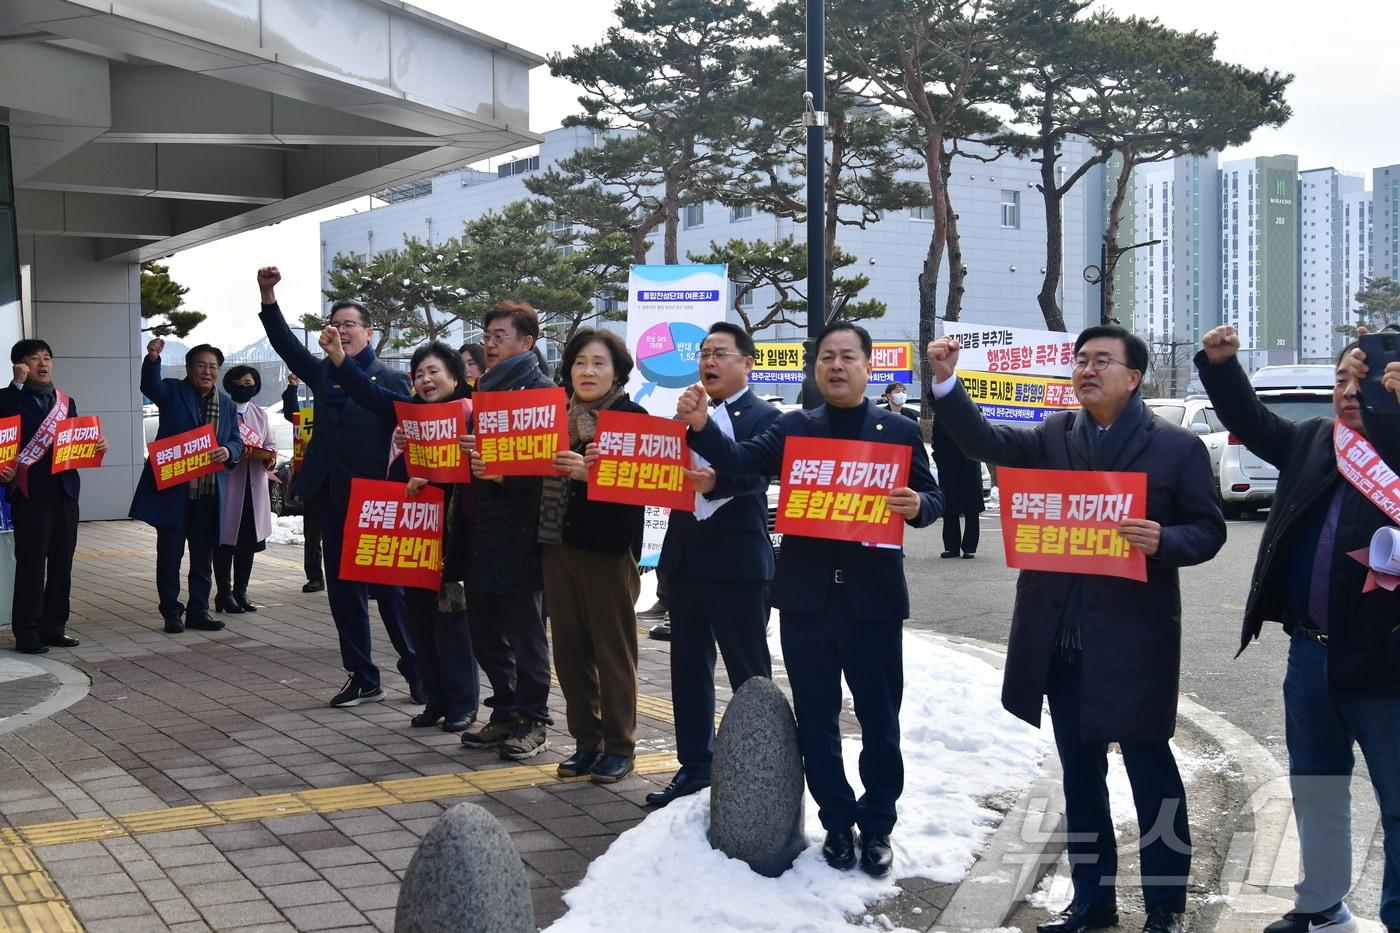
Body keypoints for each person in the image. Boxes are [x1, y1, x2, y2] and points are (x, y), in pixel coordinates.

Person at [927, 325, 1226, 933]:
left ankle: (1165, 907)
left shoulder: (1175, 447)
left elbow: (1211, 529)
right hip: (1060, 641)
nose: (1086, 370)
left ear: (1134, 376)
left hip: (1134, 643)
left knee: (1152, 780)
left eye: (1102, 361)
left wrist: (1164, 540)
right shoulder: (1053, 434)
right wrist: (946, 384)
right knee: (1081, 778)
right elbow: (984, 440)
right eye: (1081, 360)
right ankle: (1093, 902)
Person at [680, 321, 942, 879]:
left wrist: (918, 503)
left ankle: (877, 827)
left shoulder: (895, 429)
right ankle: (837, 823)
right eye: (827, 357)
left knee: (879, 720)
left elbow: (936, 495)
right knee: (817, 719)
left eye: (848, 356)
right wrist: (701, 428)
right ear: (815, 367)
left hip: (872, 599)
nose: (837, 366)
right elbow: (741, 460)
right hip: (806, 599)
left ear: (869, 367)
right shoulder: (794, 426)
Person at [1197, 326, 1400, 933]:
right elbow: (1251, 421)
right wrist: (1221, 365)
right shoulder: (1317, 441)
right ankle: (1321, 907)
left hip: (1389, 668)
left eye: (1364, 383)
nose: (1347, 392)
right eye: (1341, 379)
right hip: (1310, 658)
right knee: (1315, 789)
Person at [256, 267, 419, 709]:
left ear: (369, 332)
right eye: (336, 323)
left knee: (390, 592)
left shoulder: (389, 380)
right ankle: (363, 675)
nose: (342, 330)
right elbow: (287, 347)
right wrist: (269, 299)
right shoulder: (321, 372)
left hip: (377, 497)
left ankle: (417, 668)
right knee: (343, 590)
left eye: (351, 324)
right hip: (332, 493)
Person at [646, 322, 780, 807]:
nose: (709, 361)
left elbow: (753, 475)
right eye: (704, 352)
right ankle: (696, 765)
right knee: (688, 670)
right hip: (685, 561)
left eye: (721, 352)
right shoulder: (683, 416)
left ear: (748, 363)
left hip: (739, 563)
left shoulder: (767, 417)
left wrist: (714, 481)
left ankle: (763, 767)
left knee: (749, 672)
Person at [324, 333, 479, 732]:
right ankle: (435, 697)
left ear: (455, 376)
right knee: (420, 620)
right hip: (414, 533)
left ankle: (464, 702)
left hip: (454, 535)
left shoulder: (471, 414)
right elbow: (368, 394)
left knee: (452, 622)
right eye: (421, 373)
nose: (427, 380)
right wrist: (341, 358)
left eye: (435, 372)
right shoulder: (410, 414)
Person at [538, 329, 646, 784]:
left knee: (612, 651)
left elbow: (647, 486)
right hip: (556, 544)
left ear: (618, 371)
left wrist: (592, 477)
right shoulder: (550, 418)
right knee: (569, 649)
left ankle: (620, 745)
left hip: (608, 550)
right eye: (580, 362)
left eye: (599, 363)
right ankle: (586, 740)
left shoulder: (632, 418)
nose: (588, 371)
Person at [459, 300, 554, 760]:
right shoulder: (485, 392)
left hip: (520, 532)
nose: (490, 344)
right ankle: (505, 709)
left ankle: (534, 719)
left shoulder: (540, 392)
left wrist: (502, 472)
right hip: (481, 529)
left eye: (500, 336)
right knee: (484, 630)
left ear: (527, 342)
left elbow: (546, 471)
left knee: (525, 632)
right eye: (487, 335)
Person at [0, 340, 109, 653]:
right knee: (32, 565)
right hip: (31, 494)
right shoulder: (8, 399)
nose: (43, 364)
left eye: (47, 358)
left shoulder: (65, 401)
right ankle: (27, 633)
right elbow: (6, 426)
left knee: (62, 564)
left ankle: (54, 627)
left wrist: (96, 445)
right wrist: (18, 386)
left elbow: (72, 442)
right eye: (34, 359)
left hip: (65, 492)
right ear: (20, 365)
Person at [130, 340, 243, 634]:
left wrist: (228, 451)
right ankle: (170, 611)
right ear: (189, 368)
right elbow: (149, 386)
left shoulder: (227, 405)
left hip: (208, 493)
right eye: (201, 365)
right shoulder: (172, 391)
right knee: (170, 554)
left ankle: (198, 610)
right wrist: (153, 359)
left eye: (213, 367)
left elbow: (236, 440)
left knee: (203, 555)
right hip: (175, 492)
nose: (208, 371)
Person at [213, 366, 274, 614]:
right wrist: (235, 453)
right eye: (238, 382)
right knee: (226, 542)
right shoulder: (222, 411)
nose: (244, 386)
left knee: (249, 541)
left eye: (248, 382)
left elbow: (270, 444)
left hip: (255, 487)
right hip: (230, 484)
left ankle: (241, 591)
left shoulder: (260, 414)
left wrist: (268, 457)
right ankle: (224, 593)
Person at [282, 373, 324, 593]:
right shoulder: (312, 416)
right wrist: (292, 388)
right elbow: (293, 414)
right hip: (315, 483)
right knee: (312, 533)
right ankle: (315, 576)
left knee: (347, 534)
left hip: (342, 481)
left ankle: (357, 578)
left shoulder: (350, 415)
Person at [931, 415, 985, 559]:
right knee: (949, 507)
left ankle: (969, 547)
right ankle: (951, 547)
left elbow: (981, 435)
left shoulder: (972, 411)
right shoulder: (941, 414)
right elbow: (935, 439)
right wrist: (939, 457)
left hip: (969, 464)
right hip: (947, 464)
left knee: (971, 507)